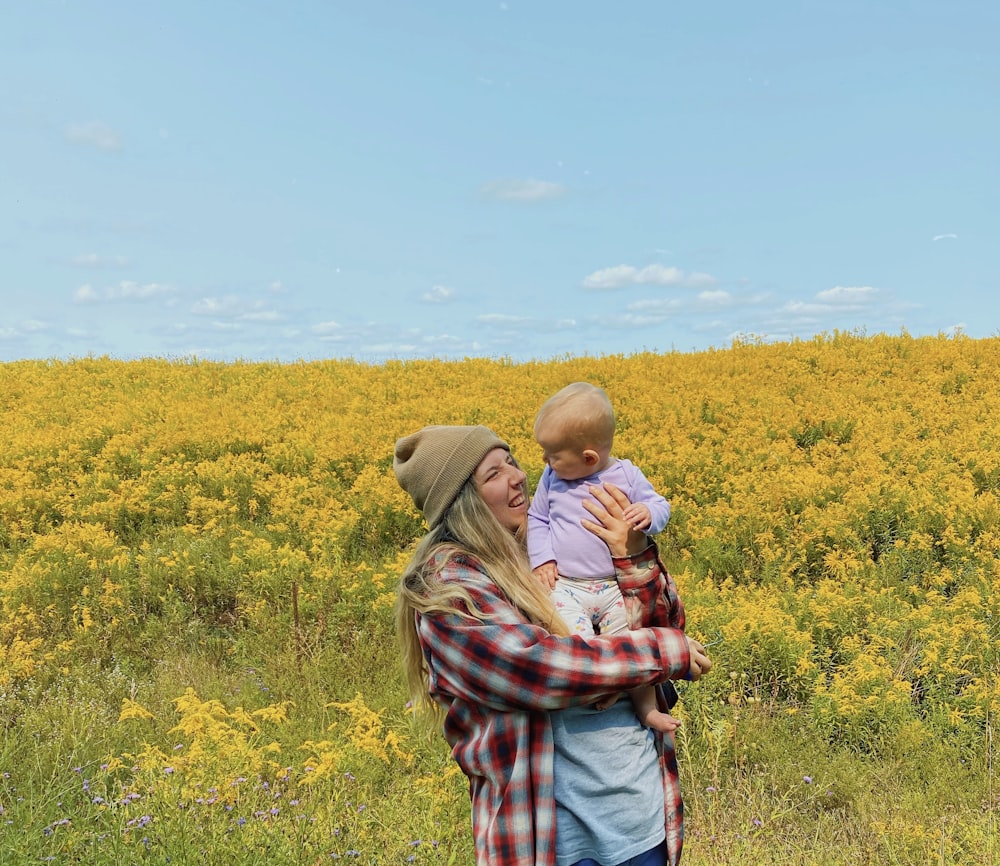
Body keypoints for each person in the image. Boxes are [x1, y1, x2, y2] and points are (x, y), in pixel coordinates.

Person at [393, 424, 710, 866]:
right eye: (493, 474)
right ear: (461, 501)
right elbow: (533, 668)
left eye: (512, 462)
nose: (518, 476)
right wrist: (656, 654)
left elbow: (667, 626)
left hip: (638, 818)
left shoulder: (550, 545)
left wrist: (632, 553)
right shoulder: (448, 585)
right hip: (550, 841)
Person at [528, 382, 679, 734]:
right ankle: (601, 687)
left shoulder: (626, 474)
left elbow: (660, 505)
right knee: (577, 643)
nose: (544, 461)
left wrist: (647, 513)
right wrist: (542, 559)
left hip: (615, 587)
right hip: (567, 585)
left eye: (552, 454)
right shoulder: (551, 477)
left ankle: (645, 709)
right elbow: (537, 519)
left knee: (632, 644)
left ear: (588, 459)